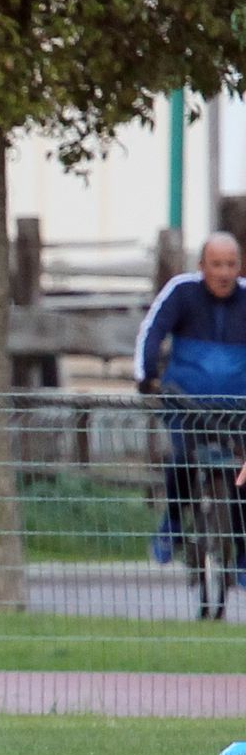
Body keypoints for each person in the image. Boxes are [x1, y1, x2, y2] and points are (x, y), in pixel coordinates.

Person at [135, 231, 246, 582]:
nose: (224, 273)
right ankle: (174, 520)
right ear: (202, 266)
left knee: (244, 474)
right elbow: (152, 332)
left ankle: (243, 553)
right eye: (216, 265)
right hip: (187, 402)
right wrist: (146, 375)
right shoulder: (181, 291)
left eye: (231, 265)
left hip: (237, 409)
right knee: (181, 456)